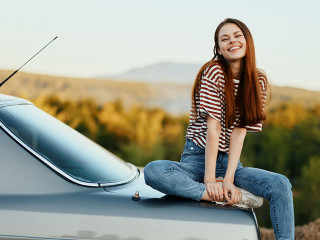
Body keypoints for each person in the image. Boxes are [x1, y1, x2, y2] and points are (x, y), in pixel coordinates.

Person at [144, 18, 294, 240]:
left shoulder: (257, 80)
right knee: (153, 171)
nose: (232, 41)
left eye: (237, 36)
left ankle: (226, 192)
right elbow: (212, 130)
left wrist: (229, 179)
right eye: (224, 39)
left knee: (281, 184)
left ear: (247, 40)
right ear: (219, 49)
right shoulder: (214, 71)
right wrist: (210, 181)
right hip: (198, 159)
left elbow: (239, 131)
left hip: (231, 163)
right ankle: (213, 196)